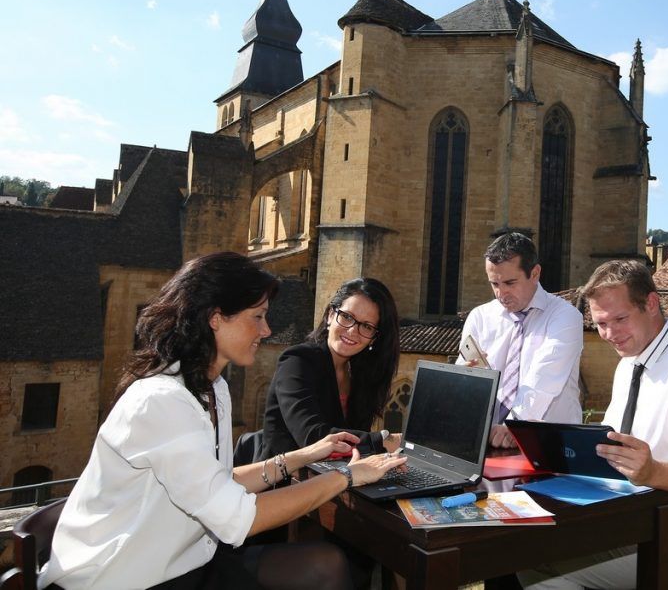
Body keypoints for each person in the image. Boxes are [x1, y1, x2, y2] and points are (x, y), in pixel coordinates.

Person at [40, 252, 406, 590]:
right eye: (257, 316)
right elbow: (238, 519)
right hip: (127, 577)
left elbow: (217, 484)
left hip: (187, 559)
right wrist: (346, 476)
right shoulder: (162, 402)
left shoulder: (213, 388)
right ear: (216, 317)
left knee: (329, 564)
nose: (266, 330)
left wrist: (301, 457)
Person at [521, 259, 668, 589]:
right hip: (630, 524)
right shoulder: (631, 361)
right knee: (522, 553)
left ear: (652, 303)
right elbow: (612, 449)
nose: (610, 334)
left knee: (548, 582)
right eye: (601, 323)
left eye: (620, 319)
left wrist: (654, 471)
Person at [461, 232, 583, 448]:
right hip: (488, 443)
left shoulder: (565, 316)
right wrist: (468, 377)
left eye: (510, 282)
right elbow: (462, 381)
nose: (501, 293)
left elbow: (544, 379)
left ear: (535, 273)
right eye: (494, 284)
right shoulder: (479, 317)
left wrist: (515, 425)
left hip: (550, 448)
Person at [260, 277, 402, 460]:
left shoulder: (360, 374)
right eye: (347, 316)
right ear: (330, 315)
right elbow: (313, 437)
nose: (352, 331)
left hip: (336, 480)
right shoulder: (297, 361)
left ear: (374, 338)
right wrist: (385, 441)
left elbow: (355, 448)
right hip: (285, 483)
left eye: (366, 326)